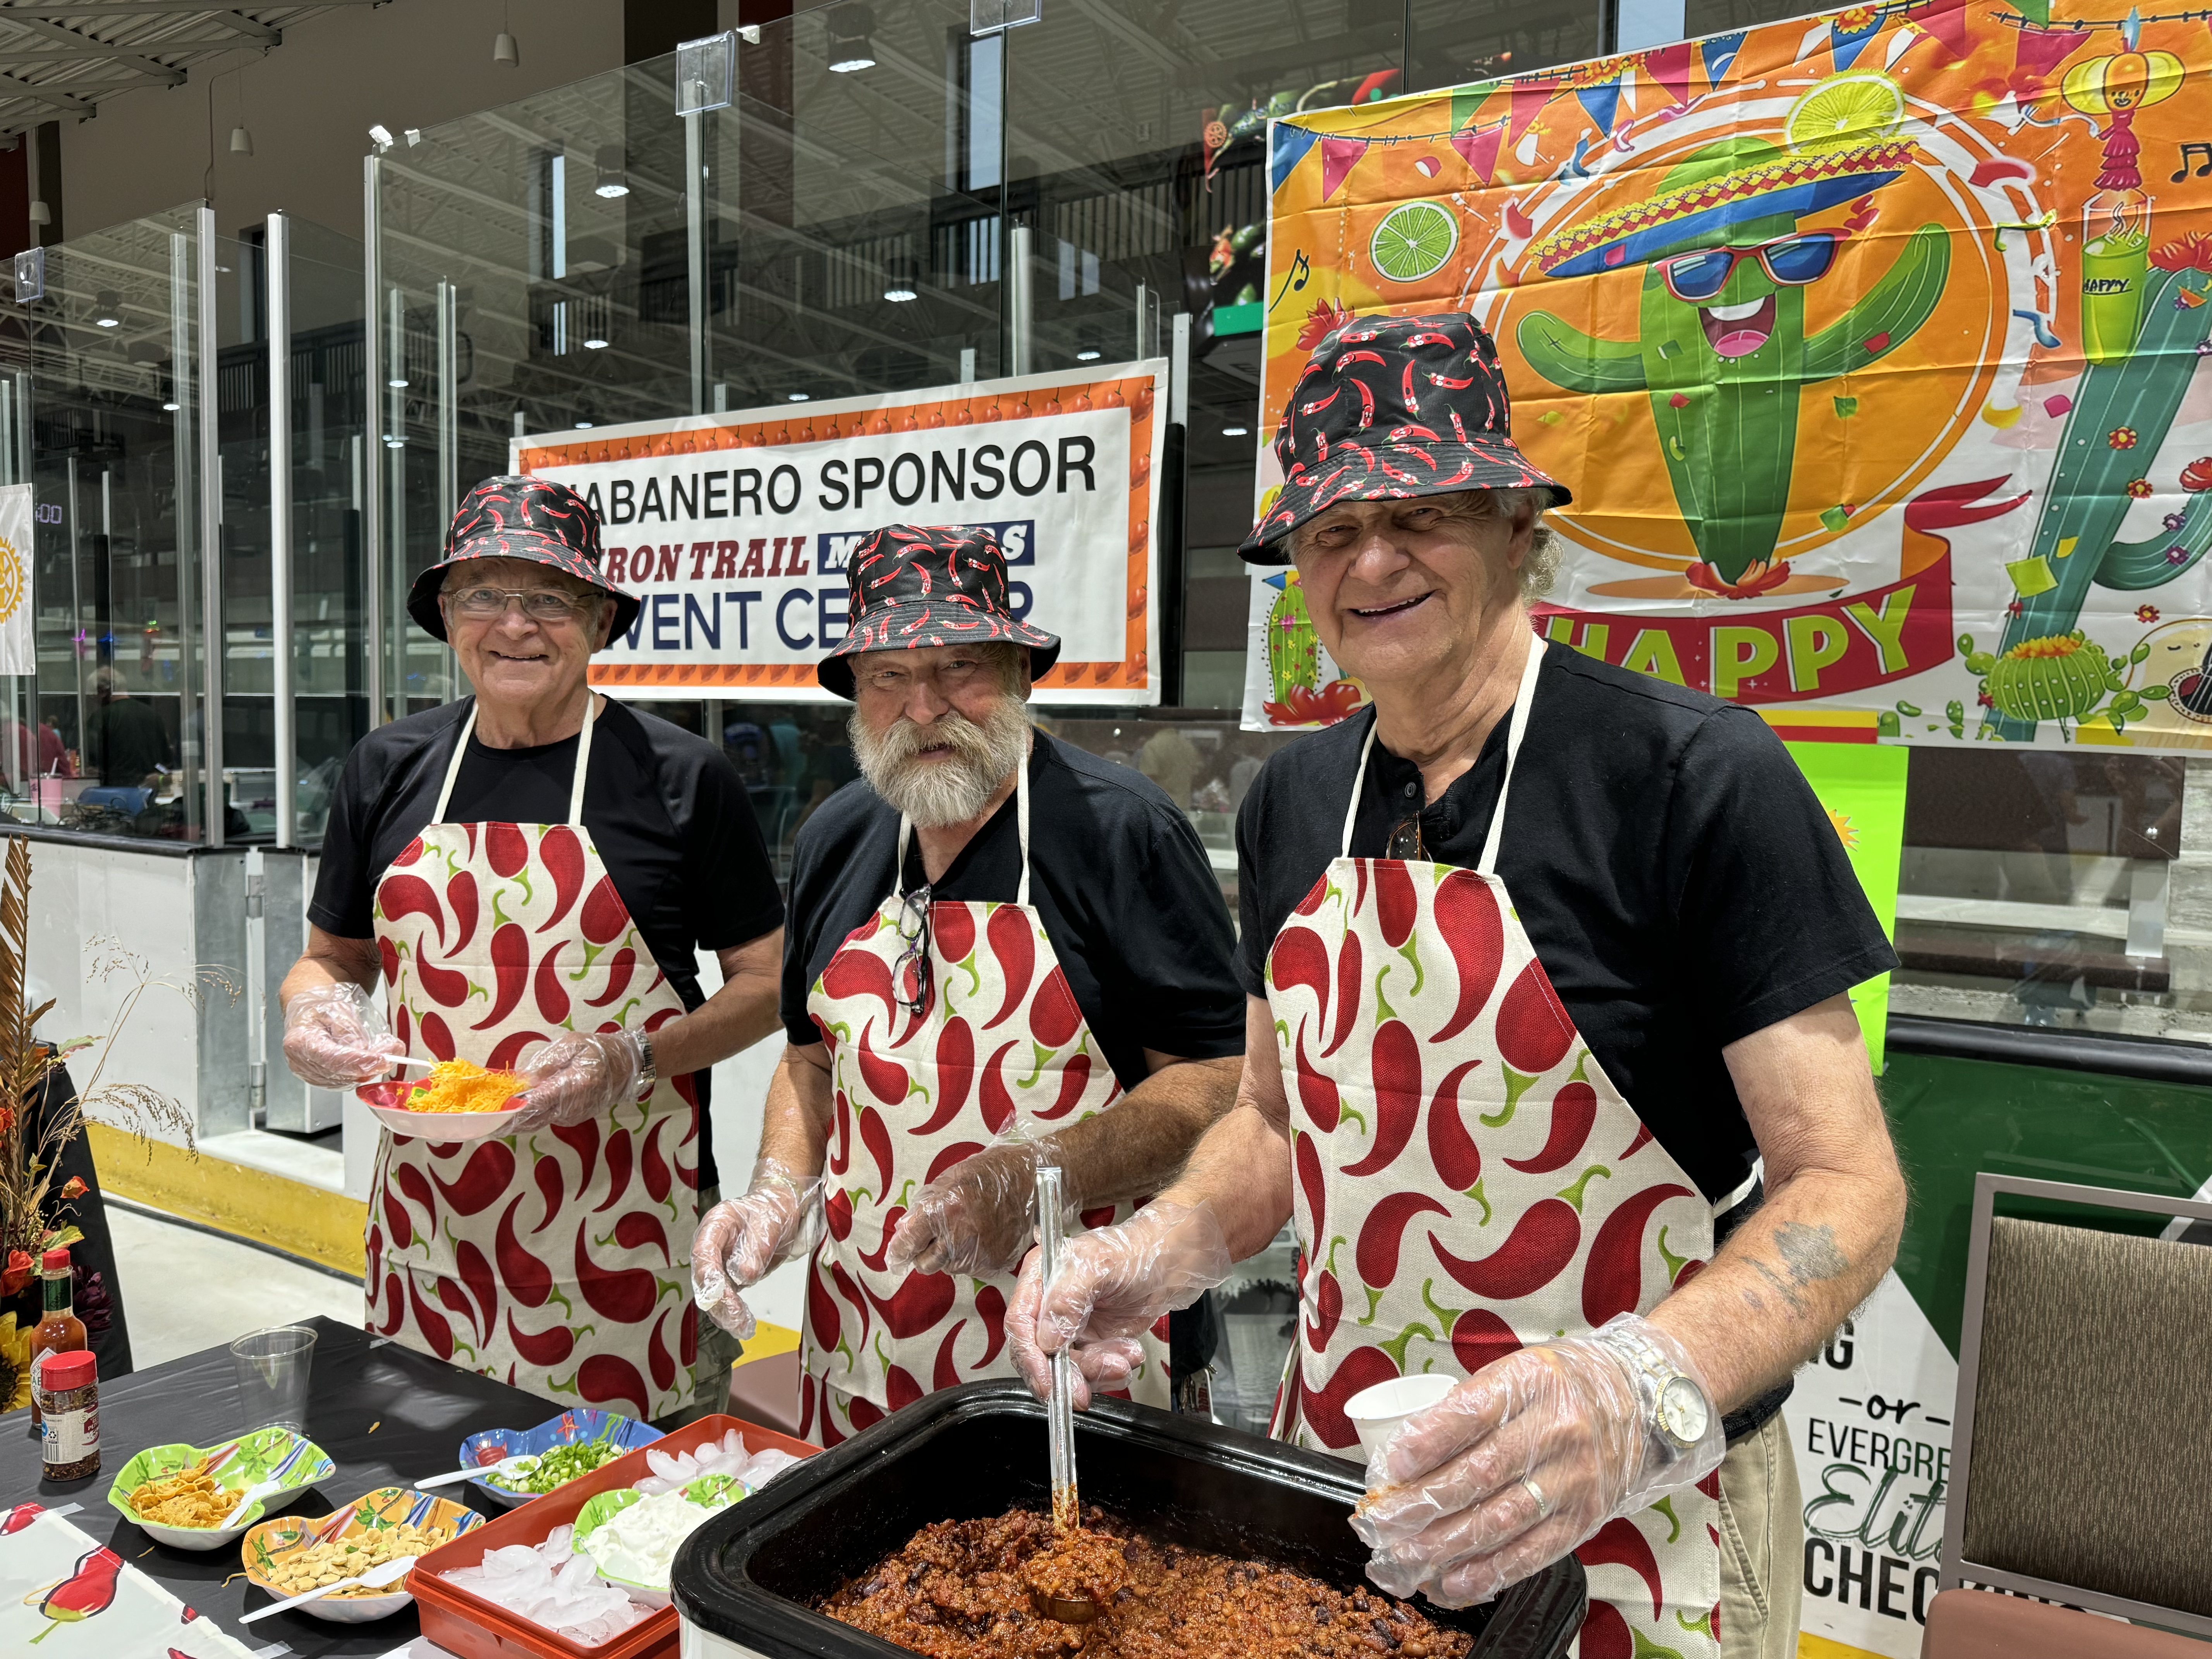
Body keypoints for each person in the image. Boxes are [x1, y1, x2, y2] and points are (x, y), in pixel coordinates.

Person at [1006, 314, 1906, 1659]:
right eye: (1331, 530)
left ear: (1516, 527)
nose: (1371, 561)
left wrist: (1636, 1386)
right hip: (1349, 1479)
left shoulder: (1691, 777)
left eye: (1419, 514)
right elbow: (1271, 1120)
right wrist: (1155, 1249)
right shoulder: (1291, 802)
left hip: (1645, 1496)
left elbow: (1844, 1184)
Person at [689, 524, 1246, 1445]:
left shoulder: (1120, 832)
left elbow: (1218, 1080)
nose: (924, 707)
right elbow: (809, 1061)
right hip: (862, 1346)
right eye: (889, 676)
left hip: (1080, 1352)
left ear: (1019, 673)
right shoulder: (835, 839)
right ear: (856, 693)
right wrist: (777, 1190)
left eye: (959, 668)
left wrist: (1039, 1176)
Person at [276, 476, 785, 1420]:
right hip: (434, 1221)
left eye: (549, 598)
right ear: (447, 617)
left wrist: (635, 1058)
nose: (515, 625)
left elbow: (767, 985)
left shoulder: (681, 776)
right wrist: (310, 1007)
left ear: (597, 621)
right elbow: (333, 958)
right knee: (430, 1476)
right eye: (483, 595)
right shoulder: (386, 768)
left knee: (631, 1489)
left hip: (630, 1218)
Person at [88, 669, 170, 787]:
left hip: (114, 792)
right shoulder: (153, 715)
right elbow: (165, 762)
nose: (94, 699)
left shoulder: (100, 718)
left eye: (93, 695)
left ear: (102, 691)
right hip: (150, 791)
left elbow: (93, 763)